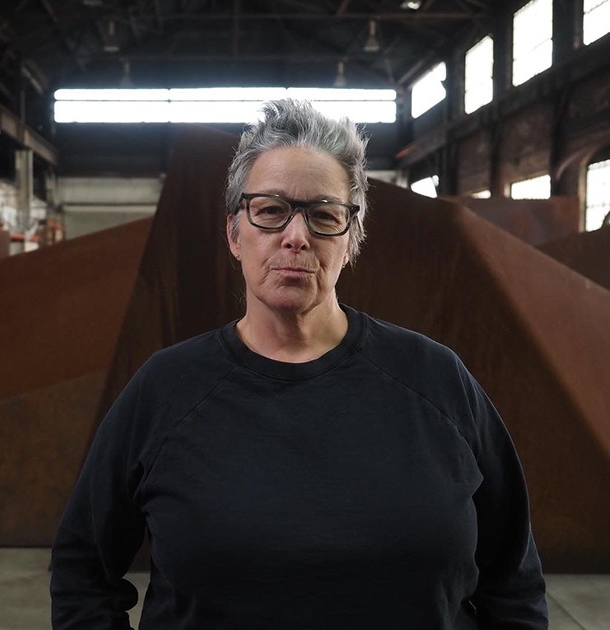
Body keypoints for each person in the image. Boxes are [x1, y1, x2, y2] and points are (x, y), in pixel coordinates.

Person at [50, 99, 548, 629]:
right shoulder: (166, 390)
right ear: (234, 233)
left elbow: (513, 580)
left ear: (350, 240)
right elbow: (83, 572)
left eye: (324, 215)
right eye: (269, 211)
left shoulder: (437, 381)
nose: (296, 236)